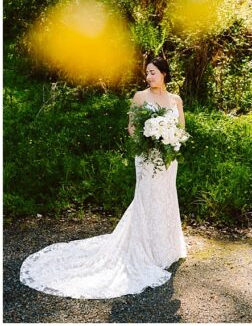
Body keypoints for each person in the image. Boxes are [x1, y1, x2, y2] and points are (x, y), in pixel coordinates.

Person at [20, 58, 188, 299]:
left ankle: (167, 249)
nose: (148, 77)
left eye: (152, 72)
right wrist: (149, 140)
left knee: (166, 198)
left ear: (164, 73)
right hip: (147, 157)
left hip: (168, 161)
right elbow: (132, 128)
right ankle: (145, 250)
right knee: (147, 198)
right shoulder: (140, 97)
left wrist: (169, 140)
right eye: (147, 73)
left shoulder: (175, 100)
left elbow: (181, 130)